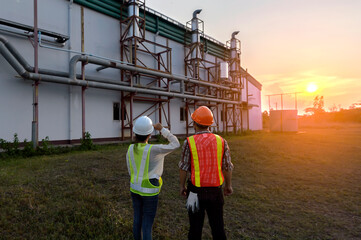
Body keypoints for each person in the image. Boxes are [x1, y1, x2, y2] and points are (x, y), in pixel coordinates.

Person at [179, 106, 234, 240]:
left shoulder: (189, 141)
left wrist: (182, 186)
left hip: (194, 192)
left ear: (194, 124)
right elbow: (227, 166)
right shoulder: (221, 141)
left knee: (194, 230)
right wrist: (228, 186)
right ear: (210, 124)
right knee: (218, 228)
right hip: (216, 191)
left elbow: (183, 167)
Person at [126, 116, 180, 240]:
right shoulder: (154, 149)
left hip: (134, 189)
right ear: (149, 134)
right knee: (147, 223)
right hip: (149, 192)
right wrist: (162, 129)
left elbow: (131, 170)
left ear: (135, 132)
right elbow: (175, 144)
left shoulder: (130, 149)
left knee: (137, 219)